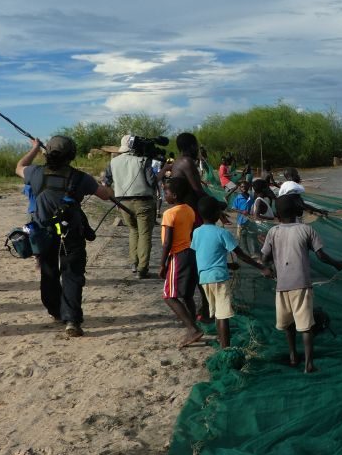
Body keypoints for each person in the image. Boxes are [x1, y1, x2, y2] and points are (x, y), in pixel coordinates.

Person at [16, 135, 114, 337]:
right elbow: (105, 195)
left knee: (49, 274)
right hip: (71, 234)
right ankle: (72, 320)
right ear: (72, 155)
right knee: (72, 275)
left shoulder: (35, 173)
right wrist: (106, 185)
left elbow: (19, 166)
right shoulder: (81, 178)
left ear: (47, 153)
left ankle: (56, 312)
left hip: (43, 234)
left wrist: (35, 148)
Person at [261, 195, 342, 372]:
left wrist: (268, 264)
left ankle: (293, 356)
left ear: (277, 214)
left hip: (282, 285)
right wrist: (337, 264)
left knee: (288, 324)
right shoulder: (306, 230)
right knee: (306, 326)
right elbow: (321, 255)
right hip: (301, 285)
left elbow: (264, 258)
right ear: (297, 211)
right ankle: (308, 364)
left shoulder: (273, 232)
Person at [192, 196, 271, 348]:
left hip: (203, 278)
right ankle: (226, 348)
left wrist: (228, 265)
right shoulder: (222, 233)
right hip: (219, 278)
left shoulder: (197, 232)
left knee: (216, 311)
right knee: (223, 315)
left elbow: (206, 255)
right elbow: (241, 255)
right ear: (217, 214)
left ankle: (221, 340)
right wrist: (262, 268)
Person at [159, 177, 204, 348]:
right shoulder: (190, 210)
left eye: (166, 192)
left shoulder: (169, 214)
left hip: (177, 255)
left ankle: (192, 328)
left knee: (169, 296)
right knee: (186, 295)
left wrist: (162, 264)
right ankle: (193, 325)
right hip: (190, 252)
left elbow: (167, 242)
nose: (165, 195)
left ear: (175, 195)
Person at [109, 135, 159, 279]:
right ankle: (142, 268)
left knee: (133, 230)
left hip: (123, 202)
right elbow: (152, 181)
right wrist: (161, 169)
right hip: (143, 201)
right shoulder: (143, 161)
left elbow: (107, 181)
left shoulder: (113, 162)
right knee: (144, 234)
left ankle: (133, 263)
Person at [169, 133, 207, 225]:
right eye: (196, 146)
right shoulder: (187, 162)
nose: (197, 149)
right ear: (192, 146)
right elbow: (197, 190)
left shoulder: (178, 161)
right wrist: (215, 204)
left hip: (183, 210)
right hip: (189, 211)